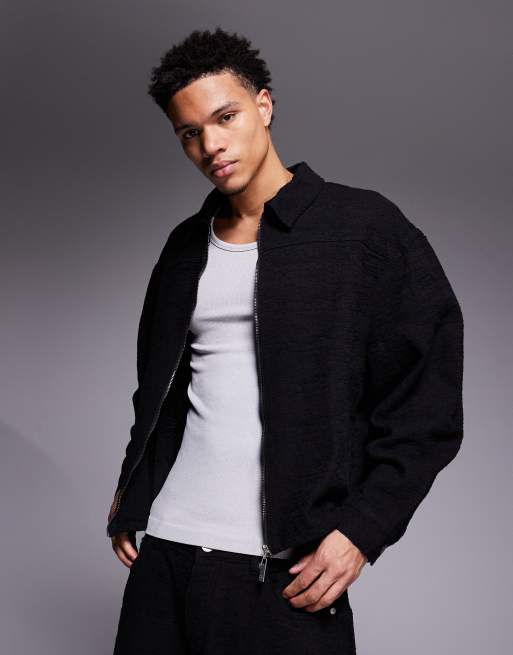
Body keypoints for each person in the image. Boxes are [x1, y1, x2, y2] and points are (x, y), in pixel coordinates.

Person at [107, 27, 464, 655]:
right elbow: (159, 392)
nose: (211, 145)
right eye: (189, 133)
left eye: (225, 117)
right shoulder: (184, 247)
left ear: (264, 105)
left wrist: (362, 530)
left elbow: (427, 407)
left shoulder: (364, 230)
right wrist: (133, 491)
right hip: (164, 552)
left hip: (280, 571)